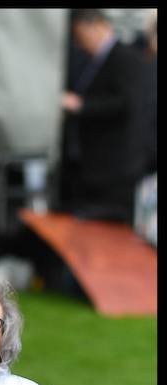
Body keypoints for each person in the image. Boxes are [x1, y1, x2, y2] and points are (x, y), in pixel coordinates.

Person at [58, 9, 145, 225]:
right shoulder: (89, 62)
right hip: (89, 163)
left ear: (94, 25)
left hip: (115, 166)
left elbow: (127, 103)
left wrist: (81, 105)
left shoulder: (125, 57)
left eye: (80, 36)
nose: (79, 43)